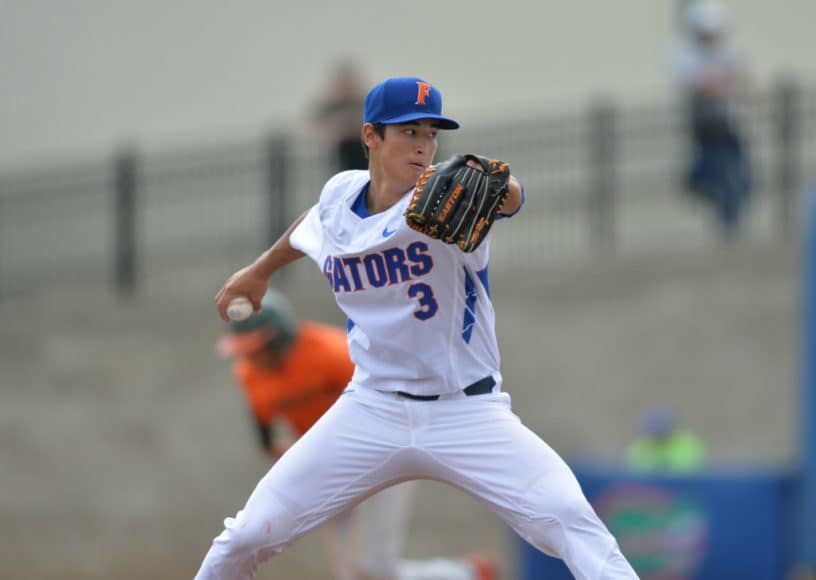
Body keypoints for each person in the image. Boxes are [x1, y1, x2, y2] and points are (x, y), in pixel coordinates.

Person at [195, 76, 639, 580]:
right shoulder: (340, 196)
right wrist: (260, 272)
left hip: (466, 411)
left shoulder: (444, 202)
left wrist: (502, 187)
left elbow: (508, 200)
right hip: (372, 408)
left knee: (571, 521)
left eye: (432, 132)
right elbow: (310, 224)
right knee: (247, 535)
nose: (425, 144)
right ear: (370, 136)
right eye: (409, 131)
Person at [217, 288, 494, 580]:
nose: (253, 357)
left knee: (373, 569)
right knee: (354, 575)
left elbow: (390, 400)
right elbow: (268, 439)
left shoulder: (332, 352)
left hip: (382, 451)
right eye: (247, 351)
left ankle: (467, 575)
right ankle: (468, 574)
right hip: (330, 468)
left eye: (258, 348)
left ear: (279, 336)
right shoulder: (248, 374)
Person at [675, 0, 751, 240]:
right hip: (704, 123)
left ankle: (730, 220)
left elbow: (740, 79)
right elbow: (699, 87)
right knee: (709, 172)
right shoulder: (685, 53)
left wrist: (719, 82)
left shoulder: (727, 50)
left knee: (740, 176)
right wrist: (720, 81)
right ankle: (723, 211)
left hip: (726, 121)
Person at [315, 60, 368, 173]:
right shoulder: (331, 106)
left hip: (360, 153)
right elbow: (316, 127)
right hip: (336, 154)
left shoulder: (363, 104)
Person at [626, 405, 706, 473]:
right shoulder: (641, 444)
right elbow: (633, 468)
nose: (658, 432)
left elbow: (693, 469)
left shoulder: (687, 443)